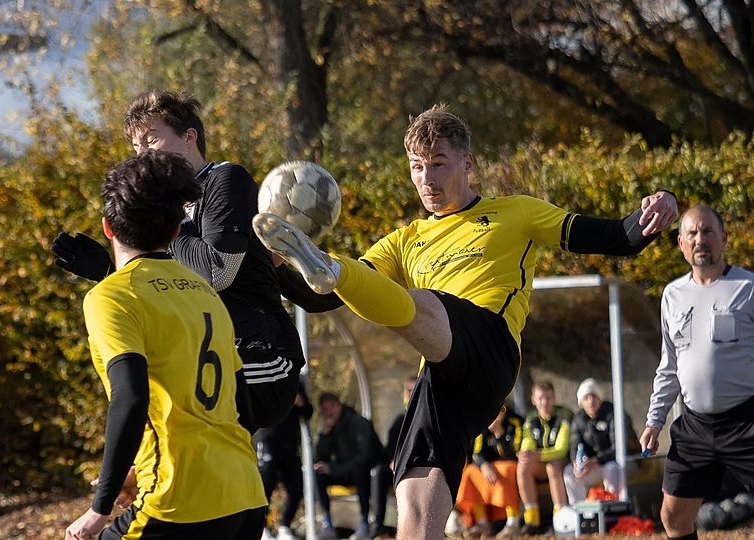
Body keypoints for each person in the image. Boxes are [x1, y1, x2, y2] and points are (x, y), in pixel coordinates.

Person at [253, 103, 678, 539]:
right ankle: (326, 264)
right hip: (439, 377)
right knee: (414, 505)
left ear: (467, 162)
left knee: (420, 302)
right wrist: (277, 269)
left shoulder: (518, 211)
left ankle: (331, 264)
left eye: (438, 164)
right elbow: (320, 298)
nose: (427, 178)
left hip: (490, 346)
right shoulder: (407, 240)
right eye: (417, 167)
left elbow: (616, 237)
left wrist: (661, 205)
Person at [52, 90, 304, 433]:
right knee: (158, 412)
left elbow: (219, 272)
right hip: (208, 354)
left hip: (261, 355)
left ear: (189, 137)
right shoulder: (163, 210)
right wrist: (109, 273)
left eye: (151, 139)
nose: (142, 153)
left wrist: (168, 225)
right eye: (136, 146)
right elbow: (163, 293)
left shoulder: (224, 179)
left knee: (167, 406)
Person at [64, 150, 266, 540]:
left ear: (107, 228)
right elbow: (242, 406)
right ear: (176, 233)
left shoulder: (111, 296)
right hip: (244, 494)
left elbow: (131, 397)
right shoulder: (207, 294)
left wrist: (99, 509)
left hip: (178, 501)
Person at [639, 205, 754, 540]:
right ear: (680, 243)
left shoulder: (748, 287)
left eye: (707, 232)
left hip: (746, 420)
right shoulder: (673, 295)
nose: (700, 239)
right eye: (692, 233)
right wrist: (653, 421)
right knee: (673, 517)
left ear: (724, 238)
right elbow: (669, 366)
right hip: (695, 427)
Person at [314, 393, 386, 540]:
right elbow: (322, 457)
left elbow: (364, 457)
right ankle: (327, 523)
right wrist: (324, 434)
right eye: (325, 410)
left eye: (331, 407)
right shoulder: (332, 426)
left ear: (339, 405)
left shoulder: (358, 422)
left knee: (360, 470)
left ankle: (364, 522)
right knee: (319, 473)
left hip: (368, 472)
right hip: (347, 471)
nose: (329, 413)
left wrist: (334, 469)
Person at [564, 378, 637, 506]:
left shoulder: (614, 413)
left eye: (594, 396)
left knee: (611, 468)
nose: (591, 401)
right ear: (581, 403)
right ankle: (578, 511)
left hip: (624, 462)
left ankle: (613, 508)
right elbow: (575, 444)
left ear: (600, 398)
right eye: (586, 398)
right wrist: (577, 462)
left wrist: (596, 460)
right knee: (570, 472)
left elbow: (620, 448)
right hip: (596, 464)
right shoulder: (579, 419)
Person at [455, 405, 524, 538]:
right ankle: (482, 522)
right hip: (490, 466)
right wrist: (484, 465)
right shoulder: (483, 423)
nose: (498, 414)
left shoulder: (515, 422)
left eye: (501, 410)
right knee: (470, 472)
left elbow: (513, 455)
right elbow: (477, 452)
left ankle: (512, 522)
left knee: (506, 471)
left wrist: (499, 434)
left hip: (509, 464)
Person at [256, 384, 314, 540]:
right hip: (268, 442)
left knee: (296, 488)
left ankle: (284, 526)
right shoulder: (261, 376)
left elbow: (308, 412)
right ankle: (262, 529)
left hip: (289, 446)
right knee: (264, 489)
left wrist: (300, 402)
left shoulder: (295, 381)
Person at [515, 381, 572, 535]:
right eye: (540, 398)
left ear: (554, 398)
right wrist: (526, 453)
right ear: (533, 400)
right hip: (541, 462)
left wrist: (539, 455)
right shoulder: (531, 418)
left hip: (562, 463)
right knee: (523, 467)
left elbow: (562, 449)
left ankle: (559, 520)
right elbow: (527, 441)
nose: (544, 402)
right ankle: (532, 520)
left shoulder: (564, 415)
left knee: (552, 466)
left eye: (548, 398)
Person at [371, 375, 418, 538]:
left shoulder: (428, 418)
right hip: (398, 467)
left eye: (415, 390)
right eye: (409, 390)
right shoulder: (399, 420)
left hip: (420, 467)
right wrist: (393, 460)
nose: (411, 394)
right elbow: (391, 448)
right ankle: (378, 524)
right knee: (379, 471)